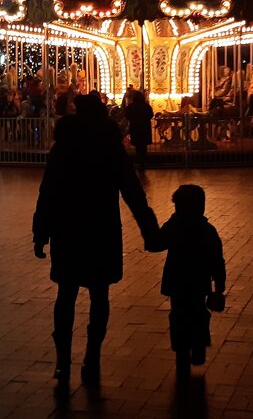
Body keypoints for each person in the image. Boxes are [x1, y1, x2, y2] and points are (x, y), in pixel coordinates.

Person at [32, 92, 158, 387]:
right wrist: (148, 229)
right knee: (99, 294)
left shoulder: (63, 146)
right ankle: (92, 354)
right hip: (101, 226)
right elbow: (132, 190)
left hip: (68, 227)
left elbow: (48, 191)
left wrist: (41, 231)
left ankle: (63, 361)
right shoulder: (109, 146)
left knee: (66, 294)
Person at [145, 184, 226, 376]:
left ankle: (181, 353)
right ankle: (198, 346)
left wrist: (148, 224)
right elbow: (217, 261)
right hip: (199, 282)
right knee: (199, 314)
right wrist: (219, 286)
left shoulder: (174, 227)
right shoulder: (207, 230)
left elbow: (156, 244)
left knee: (178, 316)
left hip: (177, 282)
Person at [124, 88, 154, 171]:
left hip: (135, 127)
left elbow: (127, 115)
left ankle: (139, 162)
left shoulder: (131, 106)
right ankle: (143, 162)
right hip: (144, 128)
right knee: (143, 146)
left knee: (138, 146)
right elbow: (151, 115)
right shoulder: (146, 106)